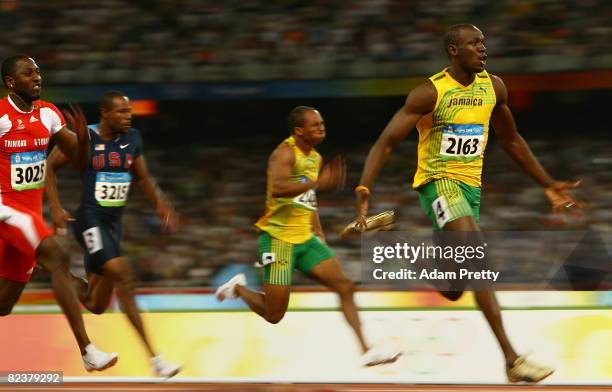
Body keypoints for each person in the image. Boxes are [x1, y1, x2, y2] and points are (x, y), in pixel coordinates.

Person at [353, 24, 580, 383]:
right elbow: (385, 142)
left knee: (455, 288)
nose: (483, 48)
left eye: (484, 42)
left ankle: (392, 242)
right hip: (439, 184)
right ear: (454, 51)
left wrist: (547, 184)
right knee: (477, 258)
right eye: (474, 43)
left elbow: (512, 140)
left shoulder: (494, 87)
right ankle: (512, 359)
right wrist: (365, 185)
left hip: (471, 190)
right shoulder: (429, 93)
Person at [216, 106, 400, 366]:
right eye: (315, 125)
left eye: (322, 123)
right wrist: (318, 183)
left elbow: (307, 199)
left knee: (345, 286)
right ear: (299, 131)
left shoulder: (315, 157)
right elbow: (279, 189)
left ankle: (366, 350)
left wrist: (319, 231)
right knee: (274, 314)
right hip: (278, 240)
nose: (322, 128)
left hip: (305, 239)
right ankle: (237, 288)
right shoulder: (283, 153)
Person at [45, 91, 181, 378]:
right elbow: (49, 168)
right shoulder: (86, 137)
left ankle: (59, 276)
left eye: (129, 111)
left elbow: (143, 177)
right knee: (123, 276)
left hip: (112, 225)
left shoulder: (133, 139)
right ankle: (156, 359)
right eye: (121, 112)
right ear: (105, 114)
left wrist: (161, 203)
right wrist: (56, 207)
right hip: (90, 221)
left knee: (95, 304)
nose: (128, 116)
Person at [0, 55, 118, 371]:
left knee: (3, 304)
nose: (37, 77)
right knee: (56, 255)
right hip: (4, 210)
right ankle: (87, 351)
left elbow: (78, 157)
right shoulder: (1, 117)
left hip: (28, 214)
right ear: (11, 82)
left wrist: (81, 140)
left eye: (38, 72)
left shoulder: (49, 114)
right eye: (28, 73)